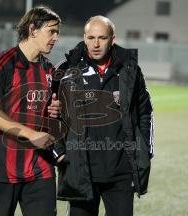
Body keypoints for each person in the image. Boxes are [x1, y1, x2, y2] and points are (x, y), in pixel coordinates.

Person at [49, 16, 154, 216]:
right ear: (84, 38)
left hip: (121, 172)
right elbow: (51, 113)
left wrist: (144, 152)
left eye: (102, 38)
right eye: (91, 37)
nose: (96, 44)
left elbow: (145, 111)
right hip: (80, 170)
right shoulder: (67, 70)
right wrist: (59, 151)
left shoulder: (130, 70)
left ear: (112, 39)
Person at [0, 6, 61, 216]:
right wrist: (31, 134)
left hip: (41, 168)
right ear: (33, 29)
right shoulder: (1, 63)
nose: (56, 38)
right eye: (52, 31)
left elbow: (51, 115)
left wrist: (57, 110)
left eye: (58, 32)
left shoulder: (49, 69)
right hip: (2, 170)